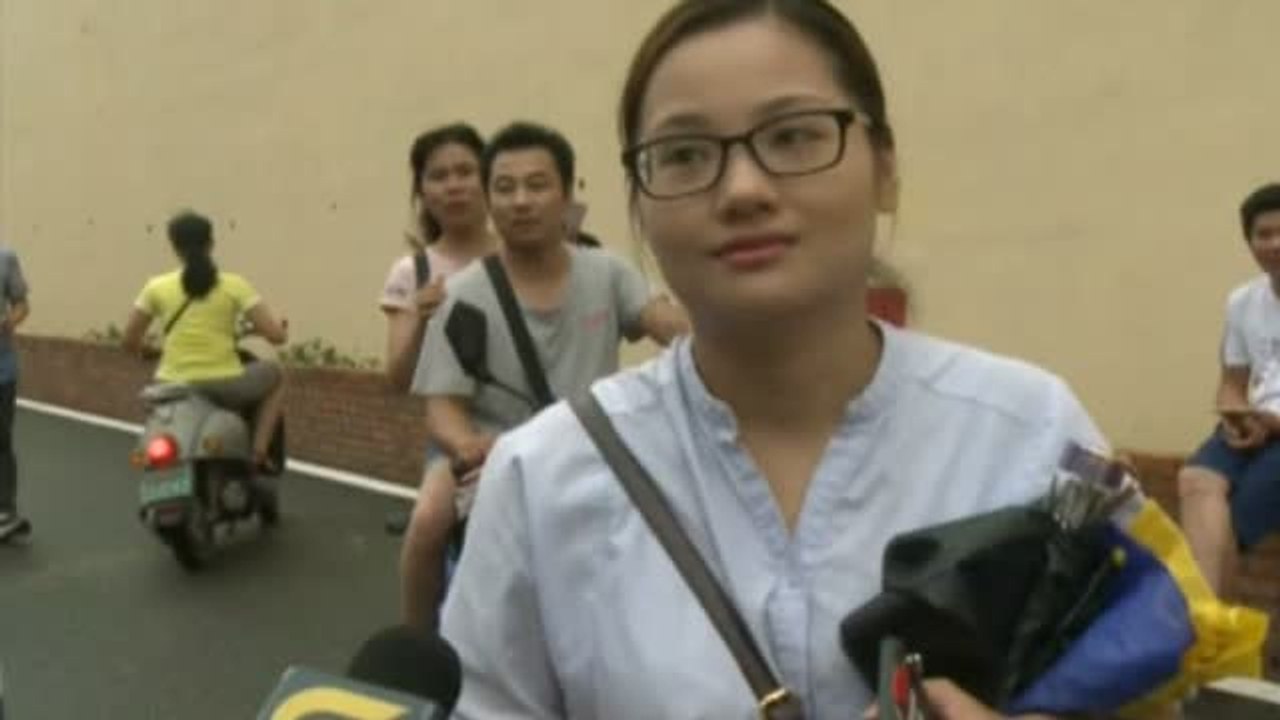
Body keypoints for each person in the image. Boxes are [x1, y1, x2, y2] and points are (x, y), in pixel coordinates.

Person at [440, 1, 1104, 717]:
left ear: (885, 167)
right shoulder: (539, 480)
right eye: (686, 154)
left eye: (793, 136)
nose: (744, 189)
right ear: (639, 204)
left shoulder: (1032, 441)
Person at [398, 120, 688, 632]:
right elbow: (441, 405)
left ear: (566, 193)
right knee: (426, 523)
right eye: (505, 188)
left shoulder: (608, 273)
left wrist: (723, 327)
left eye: (537, 185)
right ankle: (421, 652)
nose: (521, 201)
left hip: (589, 450)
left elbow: (665, 324)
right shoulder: (462, 294)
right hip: (495, 456)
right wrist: (470, 445)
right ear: (490, 200)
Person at [123, 211, 289, 476]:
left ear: (174, 247)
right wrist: (273, 330)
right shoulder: (234, 285)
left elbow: (129, 340)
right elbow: (276, 336)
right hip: (224, 384)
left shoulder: (156, 287)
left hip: (170, 385)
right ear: (211, 243)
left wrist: (149, 350)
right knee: (276, 374)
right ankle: (258, 453)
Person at [1178, 182, 1280, 596]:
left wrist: (1271, 422)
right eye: (1263, 234)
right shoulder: (1243, 302)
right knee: (1195, 478)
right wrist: (1234, 413)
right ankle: (1211, 621)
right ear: (1249, 242)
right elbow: (1233, 383)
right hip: (1256, 426)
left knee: (1228, 525)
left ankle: (1214, 633)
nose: (1274, 244)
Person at [381, 124, 498, 392]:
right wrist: (423, 324)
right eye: (438, 176)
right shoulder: (411, 271)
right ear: (422, 191)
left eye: (466, 172)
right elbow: (400, 380)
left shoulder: (521, 256)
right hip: (449, 426)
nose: (453, 186)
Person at [0, 243, 30, 542]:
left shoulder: (5, 258)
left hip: (1, 371)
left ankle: (5, 511)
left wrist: (9, 322)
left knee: (1, 439)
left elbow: (22, 305)